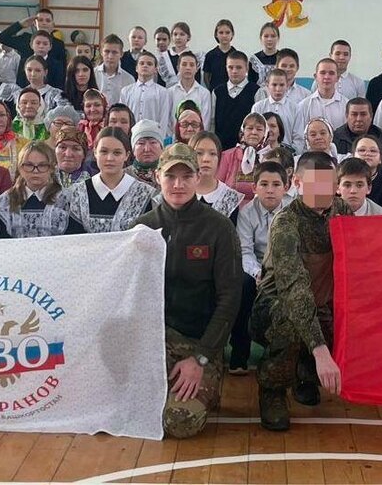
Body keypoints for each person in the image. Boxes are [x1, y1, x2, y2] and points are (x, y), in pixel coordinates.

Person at [132, 143, 242, 438]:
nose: (178, 184)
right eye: (170, 176)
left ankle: (204, 382)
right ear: (157, 176)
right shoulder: (141, 229)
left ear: (198, 177)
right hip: (154, 343)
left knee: (180, 421)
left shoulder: (219, 228)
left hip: (199, 344)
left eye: (186, 176)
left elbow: (230, 299)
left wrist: (201, 359)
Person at [252, 151, 348, 431]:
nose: (324, 191)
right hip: (277, 307)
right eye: (315, 183)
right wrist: (320, 350)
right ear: (296, 182)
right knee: (291, 323)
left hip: (323, 303)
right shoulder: (286, 224)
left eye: (329, 183)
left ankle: (304, 373)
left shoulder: (342, 211)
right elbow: (294, 289)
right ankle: (272, 389)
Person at [233, 161, 293, 373]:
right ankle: (240, 352)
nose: (270, 190)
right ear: (254, 187)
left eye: (276, 184)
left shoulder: (294, 210)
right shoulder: (247, 213)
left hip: (287, 266)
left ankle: (282, 357)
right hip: (257, 268)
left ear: (286, 187)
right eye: (264, 184)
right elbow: (245, 251)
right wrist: (258, 272)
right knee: (243, 286)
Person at [61, 127, 155, 233]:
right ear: (95, 152)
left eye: (117, 153)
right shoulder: (79, 193)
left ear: (127, 155)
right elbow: (73, 238)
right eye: (104, 151)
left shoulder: (144, 194)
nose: (110, 158)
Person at [332, 98, 382, 211]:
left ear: (371, 116)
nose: (359, 119)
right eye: (354, 114)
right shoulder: (334, 140)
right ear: (346, 116)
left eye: (363, 114)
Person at [0, 141, 79, 238]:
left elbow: (74, 237)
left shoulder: (66, 200)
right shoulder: (5, 201)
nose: (35, 171)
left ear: (52, 168)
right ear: (20, 168)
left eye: (42, 165)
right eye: (29, 165)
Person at [0, 9, 67, 88]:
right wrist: (20, 25)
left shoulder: (58, 44)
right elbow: (1, 38)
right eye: (40, 20)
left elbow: (62, 70)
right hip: (26, 87)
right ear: (34, 23)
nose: (44, 23)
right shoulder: (26, 39)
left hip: (51, 88)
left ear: (53, 24)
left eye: (48, 20)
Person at [294, 59, 349, 152]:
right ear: (315, 76)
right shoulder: (304, 105)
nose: (326, 77)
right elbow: (299, 138)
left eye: (331, 73)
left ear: (338, 77)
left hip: (338, 156)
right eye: (322, 73)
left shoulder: (346, 105)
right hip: (311, 157)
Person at [212, 50, 261, 151]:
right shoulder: (217, 92)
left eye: (239, 67)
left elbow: (260, 123)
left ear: (246, 68)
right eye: (230, 67)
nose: (234, 71)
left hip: (247, 150)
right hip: (221, 148)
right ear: (226, 68)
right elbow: (212, 122)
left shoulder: (256, 91)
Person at [188, 132, 243, 220]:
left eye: (212, 154)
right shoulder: (180, 192)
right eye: (199, 153)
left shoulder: (230, 198)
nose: (206, 159)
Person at [217, 113, 269, 205]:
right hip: (230, 208)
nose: (254, 132)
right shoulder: (227, 156)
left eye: (259, 129)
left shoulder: (270, 157)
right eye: (250, 128)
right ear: (242, 132)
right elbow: (217, 187)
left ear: (265, 134)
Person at [122, 52, 174, 131]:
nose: (145, 66)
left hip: (153, 134)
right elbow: (122, 116)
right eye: (141, 63)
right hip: (130, 134)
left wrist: (160, 137)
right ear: (136, 68)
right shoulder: (126, 91)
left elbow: (164, 119)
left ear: (155, 69)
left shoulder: (163, 92)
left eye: (149, 64)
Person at [352, 135, 382, 214]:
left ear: (381, 159)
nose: (367, 154)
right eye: (362, 150)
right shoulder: (340, 181)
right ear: (353, 156)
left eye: (373, 151)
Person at [252, 69, 300, 147]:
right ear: (267, 85)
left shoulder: (295, 108)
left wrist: (292, 152)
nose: (278, 89)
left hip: (287, 151)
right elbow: (255, 132)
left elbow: (298, 136)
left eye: (282, 85)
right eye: (274, 85)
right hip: (262, 151)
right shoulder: (258, 107)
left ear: (287, 85)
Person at [204, 19, 256, 87]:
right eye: (221, 32)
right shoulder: (210, 55)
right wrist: (211, 90)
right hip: (216, 91)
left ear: (232, 34)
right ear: (216, 34)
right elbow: (206, 77)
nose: (224, 35)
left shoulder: (238, 56)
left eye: (227, 32)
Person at [169, 52, 213, 129]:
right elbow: (167, 119)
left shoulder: (204, 93)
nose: (188, 68)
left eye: (192, 65)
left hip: (197, 135)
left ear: (197, 68)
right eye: (184, 64)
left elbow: (205, 121)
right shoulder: (170, 92)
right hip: (174, 135)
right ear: (178, 68)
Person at [95, 34, 135, 105]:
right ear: (101, 52)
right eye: (107, 51)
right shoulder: (92, 74)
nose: (110, 56)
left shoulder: (129, 79)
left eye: (114, 52)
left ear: (121, 54)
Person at [127, 119, 166, 190]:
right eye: (141, 143)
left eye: (153, 142)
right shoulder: (122, 177)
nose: (147, 149)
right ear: (133, 150)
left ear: (161, 147)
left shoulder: (169, 176)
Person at [250, 22, 281, 87]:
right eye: (266, 36)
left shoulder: (283, 58)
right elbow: (251, 83)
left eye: (273, 36)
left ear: (278, 38)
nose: (269, 39)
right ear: (261, 38)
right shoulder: (254, 59)